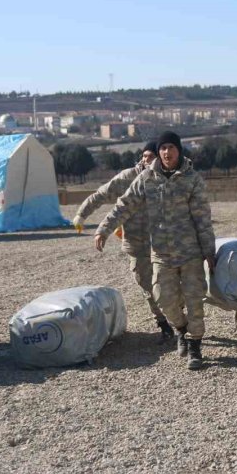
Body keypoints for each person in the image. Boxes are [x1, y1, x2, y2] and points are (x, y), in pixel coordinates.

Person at [95, 131, 216, 370]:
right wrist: (104, 228)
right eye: (163, 148)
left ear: (179, 150)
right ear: (158, 152)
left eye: (171, 147)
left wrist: (209, 252)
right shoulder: (147, 178)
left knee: (195, 302)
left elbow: (203, 219)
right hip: (161, 253)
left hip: (190, 253)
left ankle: (195, 347)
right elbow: (125, 204)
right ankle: (180, 330)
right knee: (163, 299)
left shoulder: (192, 179)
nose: (167, 152)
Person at [73, 141, 175, 340]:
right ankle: (163, 324)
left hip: (165, 244)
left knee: (170, 285)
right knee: (147, 286)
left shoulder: (169, 178)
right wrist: (81, 214)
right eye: (144, 156)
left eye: (151, 157)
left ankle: (179, 321)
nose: (146, 160)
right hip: (137, 245)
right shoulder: (128, 177)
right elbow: (101, 194)